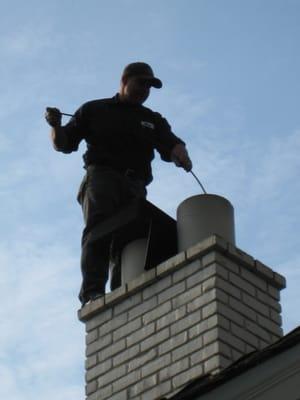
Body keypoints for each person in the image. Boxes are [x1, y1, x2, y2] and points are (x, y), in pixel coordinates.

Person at [45, 62, 192, 305]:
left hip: (136, 185)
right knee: (99, 231)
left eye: (150, 86)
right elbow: (63, 144)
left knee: (128, 240)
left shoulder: (152, 120)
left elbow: (173, 143)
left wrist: (181, 153)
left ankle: (121, 295)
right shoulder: (95, 109)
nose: (145, 90)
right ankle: (93, 293)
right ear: (125, 81)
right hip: (102, 177)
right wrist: (55, 126)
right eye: (141, 83)